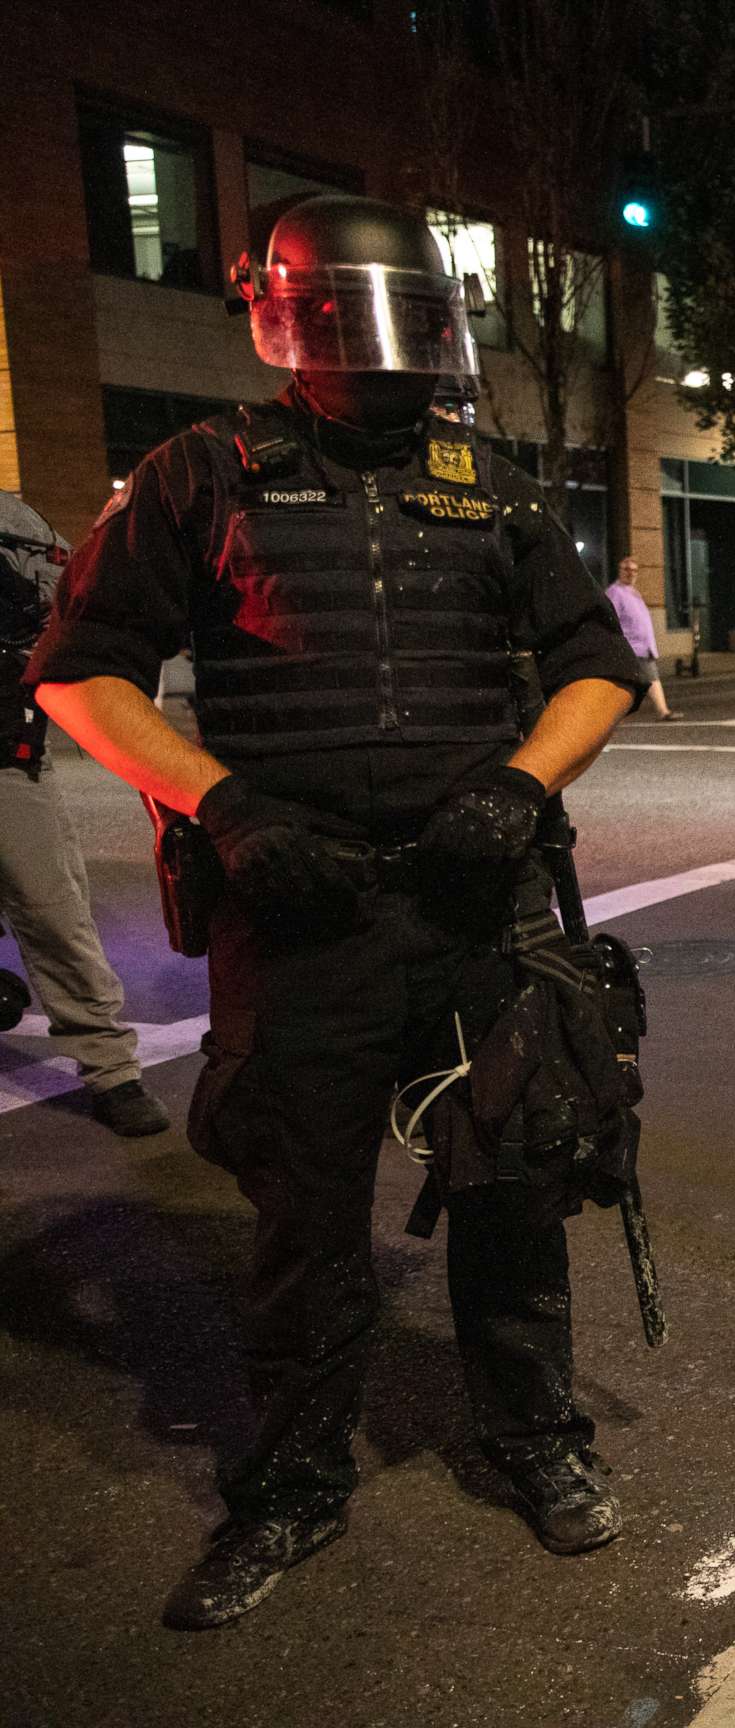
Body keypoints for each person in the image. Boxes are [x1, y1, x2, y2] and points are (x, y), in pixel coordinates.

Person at [30, 194, 645, 1629]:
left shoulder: (490, 482)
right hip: (297, 911)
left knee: (515, 1189)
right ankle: (296, 1485)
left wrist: (517, 782)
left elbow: (592, 659)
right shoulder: (200, 477)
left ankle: (535, 1440)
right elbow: (81, 671)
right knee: (306, 1217)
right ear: (283, 322)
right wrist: (223, 806)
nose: (387, 361)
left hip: (477, 904)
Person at [0, 489, 170, 1137]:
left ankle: (109, 1068)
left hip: (5, 759)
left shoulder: (14, 525)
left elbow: (60, 613)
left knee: (52, 911)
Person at [608, 556, 678, 721]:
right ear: (620, 571)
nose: (630, 573)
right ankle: (663, 711)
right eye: (626, 570)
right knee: (650, 679)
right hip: (632, 646)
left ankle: (661, 711)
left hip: (643, 647)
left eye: (634, 570)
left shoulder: (633, 592)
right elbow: (612, 619)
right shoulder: (615, 592)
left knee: (635, 682)